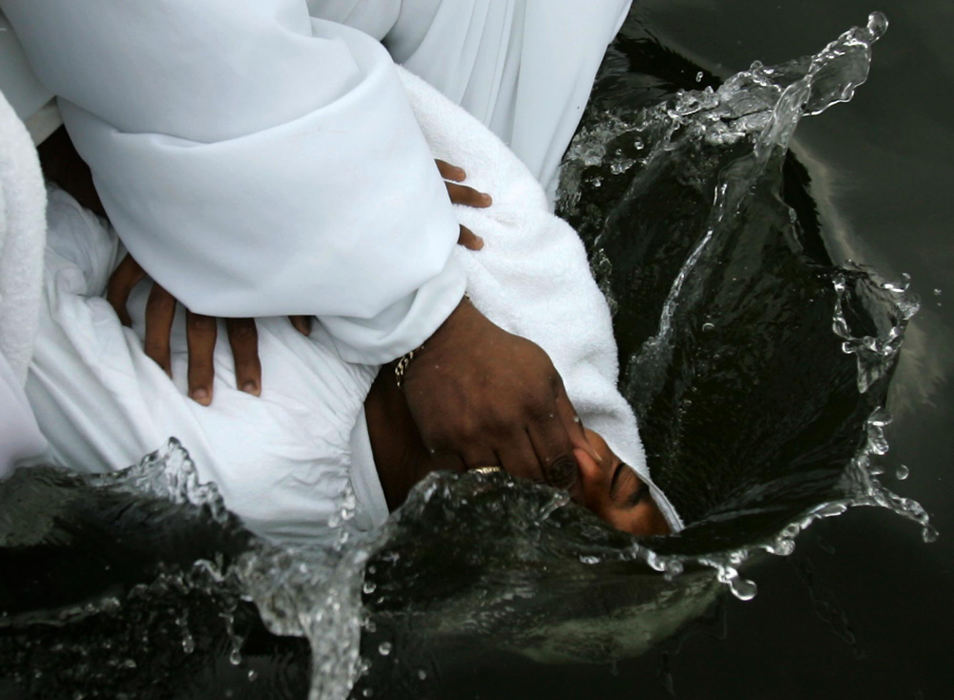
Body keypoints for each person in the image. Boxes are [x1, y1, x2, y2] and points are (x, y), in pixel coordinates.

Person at [0, 0, 632, 497]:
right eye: (626, 488)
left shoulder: (248, 466)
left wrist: (166, 205)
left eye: (559, 481)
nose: (589, 461)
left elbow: (29, 313)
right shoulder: (496, 262)